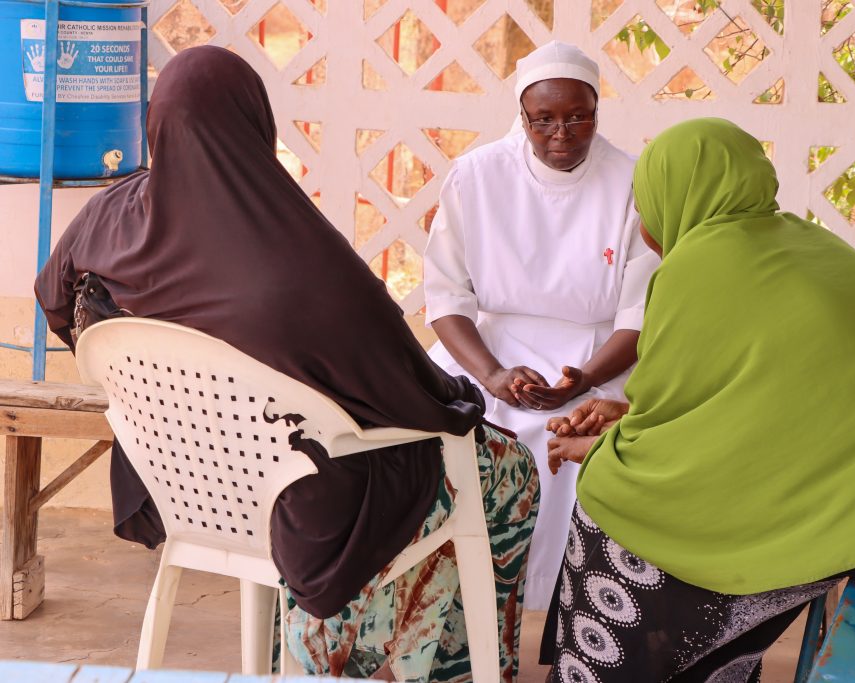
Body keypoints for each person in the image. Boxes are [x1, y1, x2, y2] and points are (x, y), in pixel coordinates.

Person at [34, 46, 539, 682]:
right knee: (505, 466)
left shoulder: (108, 217)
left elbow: (58, 303)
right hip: (301, 499)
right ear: (256, 123)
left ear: (155, 122)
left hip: (190, 484)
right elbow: (406, 388)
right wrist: (462, 397)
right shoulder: (296, 263)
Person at [543, 118, 855, 682]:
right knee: (729, 529)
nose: (641, 220)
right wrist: (629, 418)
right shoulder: (808, 241)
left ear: (675, 196)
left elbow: (672, 441)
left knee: (615, 509)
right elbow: (773, 411)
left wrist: (604, 449)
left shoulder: (697, 263)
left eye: (643, 201)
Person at [424, 41, 658, 610]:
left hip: (599, 355)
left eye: (579, 116)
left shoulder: (633, 180)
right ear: (522, 116)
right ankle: (451, 606)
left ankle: (567, 609)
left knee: (577, 440)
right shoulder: (476, 175)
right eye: (544, 119)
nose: (563, 132)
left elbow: (636, 317)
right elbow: (448, 296)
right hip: (489, 349)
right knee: (436, 433)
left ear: (597, 111)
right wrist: (494, 374)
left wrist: (581, 381)